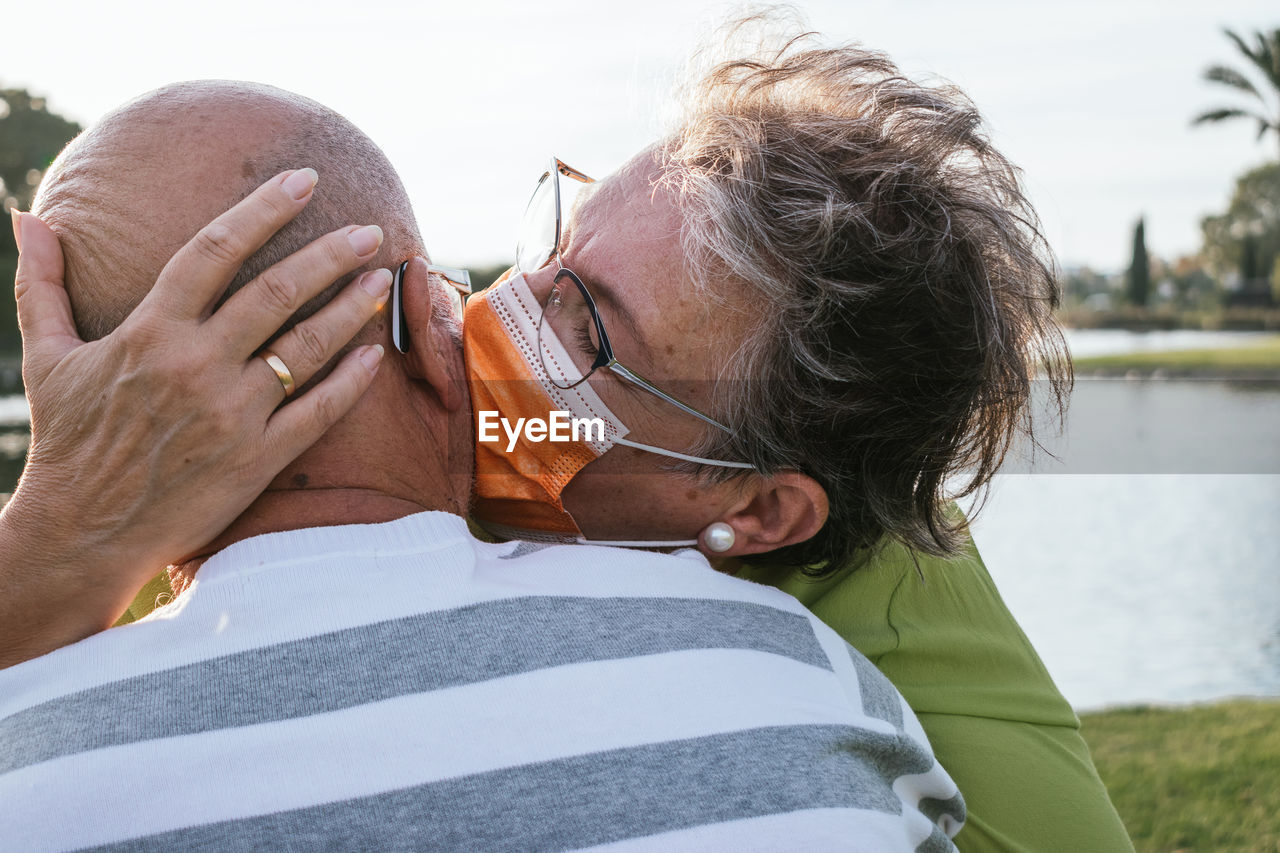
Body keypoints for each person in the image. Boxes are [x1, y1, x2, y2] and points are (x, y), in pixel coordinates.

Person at [3, 22, 1133, 852]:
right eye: (552, 252)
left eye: (587, 329)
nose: (482, 312)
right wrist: (71, 522)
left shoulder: (856, 645)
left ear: (749, 510)